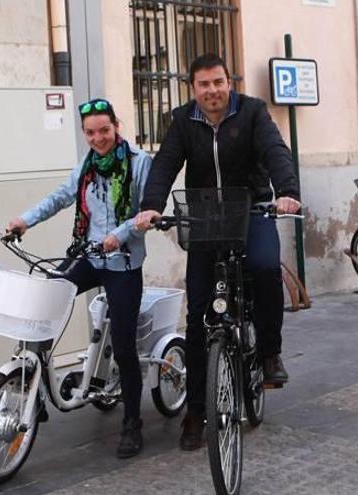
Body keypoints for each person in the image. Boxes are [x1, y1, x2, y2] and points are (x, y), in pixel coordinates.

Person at [134, 53, 301, 451]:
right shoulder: (182, 121)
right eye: (204, 84)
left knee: (263, 268)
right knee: (197, 319)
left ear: (230, 82)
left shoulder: (254, 113)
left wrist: (288, 192)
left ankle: (270, 353)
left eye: (218, 82)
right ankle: (195, 411)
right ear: (193, 88)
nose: (212, 91)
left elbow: (276, 152)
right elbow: (165, 165)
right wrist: (152, 204)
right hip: (206, 219)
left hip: (253, 210)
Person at [7, 98, 152, 458]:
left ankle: (132, 422)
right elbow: (60, 197)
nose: (98, 138)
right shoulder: (87, 165)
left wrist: (118, 234)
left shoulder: (138, 163)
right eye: (90, 132)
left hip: (123, 262)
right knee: (45, 301)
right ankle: (36, 393)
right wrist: (24, 220)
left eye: (104, 130)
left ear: (116, 125)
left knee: (123, 344)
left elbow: (146, 213)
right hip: (89, 256)